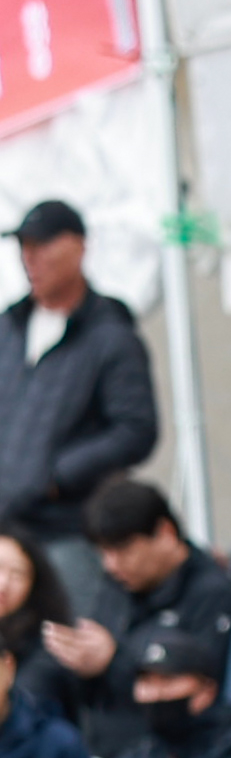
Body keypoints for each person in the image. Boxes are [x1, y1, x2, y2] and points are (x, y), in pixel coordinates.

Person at [0, 203, 157, 561]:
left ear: (79, 247)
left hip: (67, 532)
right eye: (24, 247)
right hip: (6, 529)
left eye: (42, 246)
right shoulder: (8, 329)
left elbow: (136, 430)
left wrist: (56, 478)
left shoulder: (111, 338)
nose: (30, 258)